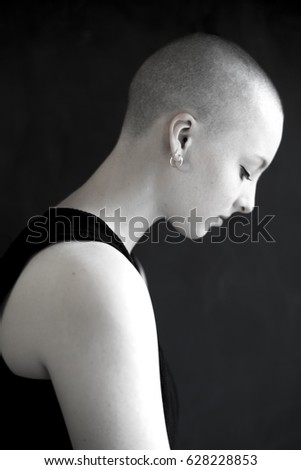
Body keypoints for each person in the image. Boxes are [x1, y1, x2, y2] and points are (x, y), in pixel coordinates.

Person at [0, 32, 283, 450]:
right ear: (182, 137)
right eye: (245, 170)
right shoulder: (92, 279)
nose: (249, 205)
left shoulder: (98, 262)